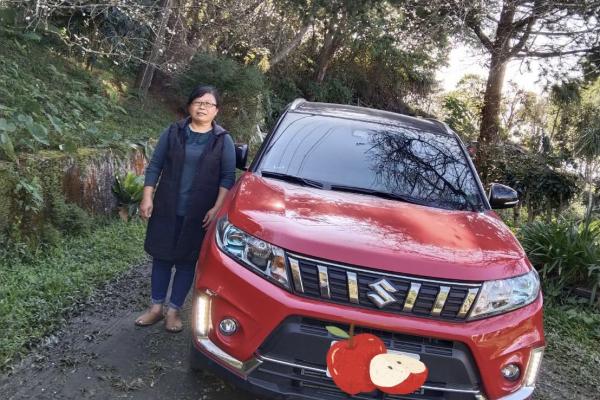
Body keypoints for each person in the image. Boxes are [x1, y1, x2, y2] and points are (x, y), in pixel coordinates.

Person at [134, 85, 236, 333]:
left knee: (187, 261)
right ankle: (156, 308)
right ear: (190, 106)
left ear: (216, 110)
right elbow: (155, 165)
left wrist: (217, 207)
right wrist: (147, 197)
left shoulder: (223, 140)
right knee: (161, 257)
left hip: (199, 212)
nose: (203, 107)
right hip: (167, 206)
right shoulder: (173, 132)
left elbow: (227, 177)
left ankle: (173, 311)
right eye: (198, 102)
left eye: (209, 104)